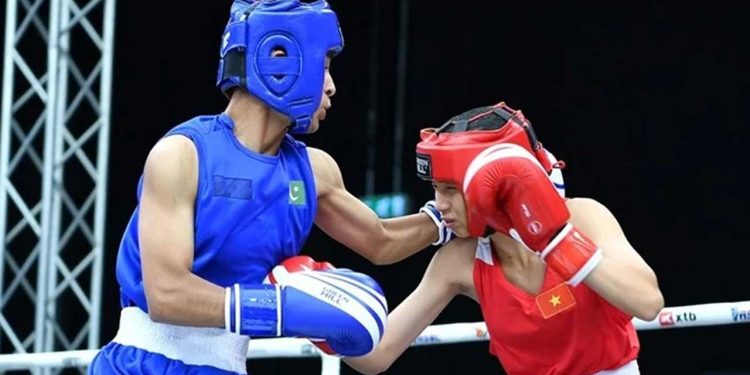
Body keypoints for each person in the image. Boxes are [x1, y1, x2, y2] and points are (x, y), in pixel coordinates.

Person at [88, 1, 451, 374]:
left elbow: (380, 240)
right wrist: (282, 308)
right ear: (279, 57)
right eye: (324, 66)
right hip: (139, 364)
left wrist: (451, 216)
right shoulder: (182, 155)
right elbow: (165, 294)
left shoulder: (313, 171)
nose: (332, 87)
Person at [344, 101, 665, 375]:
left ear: (496, 184)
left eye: (451, 189)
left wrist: (556, 241)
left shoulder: (583, 217)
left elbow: (647, 303)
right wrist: (321, 316)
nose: (439, 204)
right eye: (435, 189)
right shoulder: (459, 261)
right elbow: (377, 354)